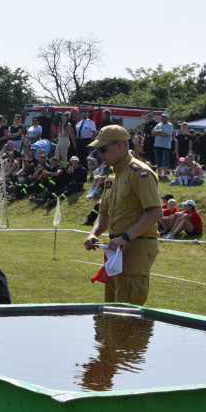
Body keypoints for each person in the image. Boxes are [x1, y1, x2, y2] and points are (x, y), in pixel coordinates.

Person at [83, 125, 162, 305]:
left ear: (120, 145)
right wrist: (93, 233)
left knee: (126, 316)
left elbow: (155, 212)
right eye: (97, 150)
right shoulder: (112, 177)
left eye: (102, 149)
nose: (99, 154)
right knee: (110, 311)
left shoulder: (140, 172)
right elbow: (104, 213)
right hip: (116, 250)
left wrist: (125, 237)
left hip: (135, 248)